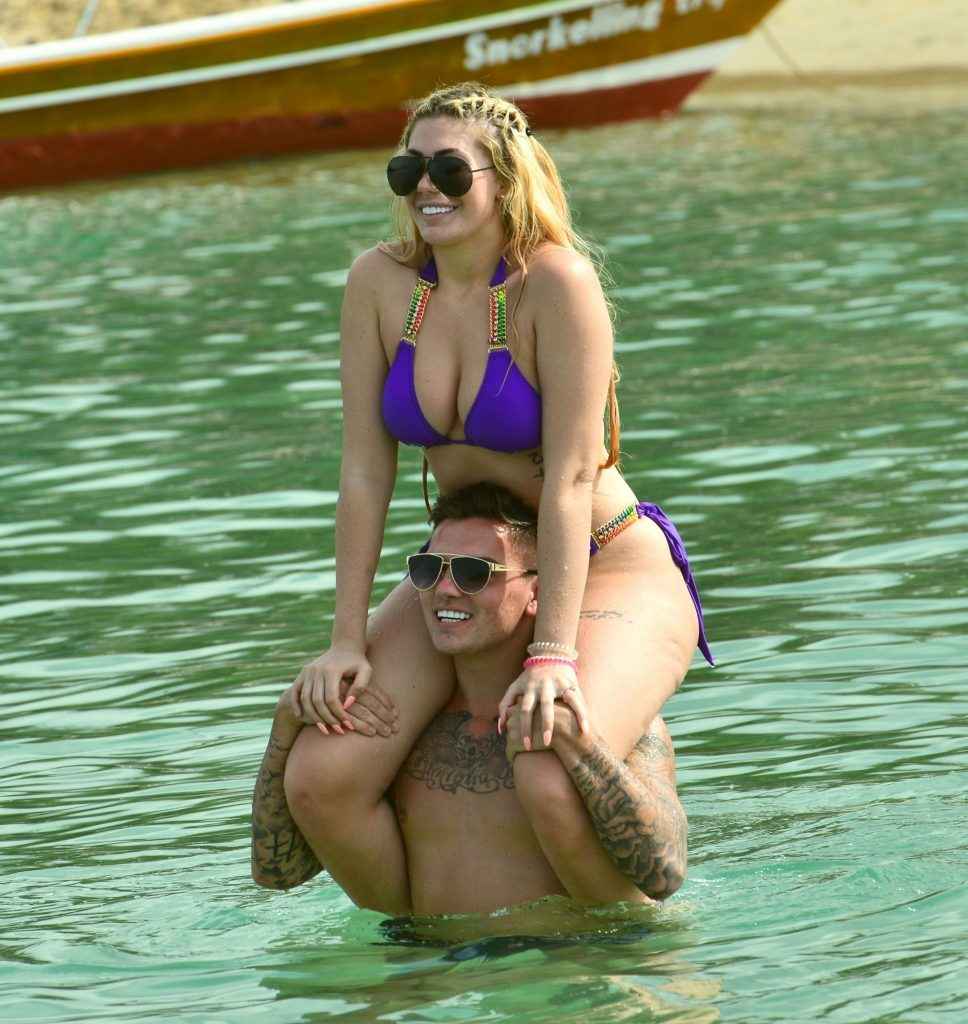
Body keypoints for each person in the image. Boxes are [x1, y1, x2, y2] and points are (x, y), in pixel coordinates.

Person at [280, 82, 713, 914]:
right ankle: (421, 949)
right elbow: (364, 473)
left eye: (449, 169)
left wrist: (551, 654)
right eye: (408, 169)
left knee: (548, 765)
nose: (426, 188)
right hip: (475, 569)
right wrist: (344, 642)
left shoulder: (557, 282)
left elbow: (574, 478)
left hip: (603, 560)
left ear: (505, 179)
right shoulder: (379, 283)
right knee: (324, 774)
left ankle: (623, 946)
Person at [252, 483, 687, 915]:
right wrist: (285, 729)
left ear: (538, 592)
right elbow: (276, 875)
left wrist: (583, 748)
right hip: (427, 955)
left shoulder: (602, 720)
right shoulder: (396, 735)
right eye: (429, 569)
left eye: (475, 573)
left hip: (580, 953)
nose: (445, 589)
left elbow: (664, 875)